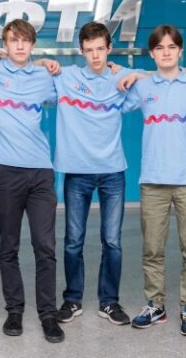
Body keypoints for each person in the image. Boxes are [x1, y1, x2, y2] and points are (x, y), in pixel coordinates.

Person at [0, 19, 65, 343]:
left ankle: (48, 315)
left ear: (32, 44)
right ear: (4, 44)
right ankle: (14, 311)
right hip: (6, 172)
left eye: (24, 41)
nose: (19, 46)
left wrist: (49, 63)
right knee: (9, 246)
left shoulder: (45, 76)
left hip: (40, 171)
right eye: (12, 41)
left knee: (45, 246)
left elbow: (83, 81)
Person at [118, 25, 186, 336]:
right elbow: (114, 100)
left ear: (180, 50)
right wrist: (133, 74)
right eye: (160, 48)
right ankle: (155, 305)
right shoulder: (143, 86)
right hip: (153, 180)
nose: (166, 52)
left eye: (172, 47)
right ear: (152, 53)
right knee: (152, 248)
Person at [47, 22, 133, 326]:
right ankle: (72, 300)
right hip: (77, 172)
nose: (95, 55)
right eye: (89, 50)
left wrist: (136, 74)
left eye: (100, 49)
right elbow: (32, 67)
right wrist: (44, 61)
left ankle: (109, 302)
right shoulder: (67, 76)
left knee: (112, 241)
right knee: (73, 241)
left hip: (112, 172)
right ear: (81, 51)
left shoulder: (121, 76)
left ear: (109, 49)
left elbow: (162, 75)